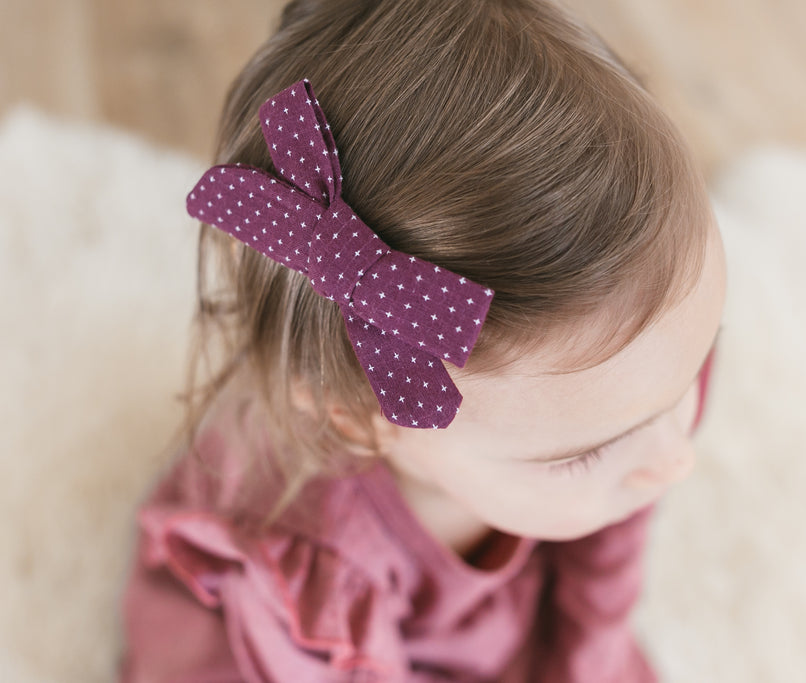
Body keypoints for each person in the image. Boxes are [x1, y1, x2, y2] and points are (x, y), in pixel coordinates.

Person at [117, 0, 728, 680]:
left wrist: (583, 663)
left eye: (686, 381)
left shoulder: (625, 392)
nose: (676, 458)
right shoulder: (312, 554)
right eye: (582, 457)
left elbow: (606, 576)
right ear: (357, 419)